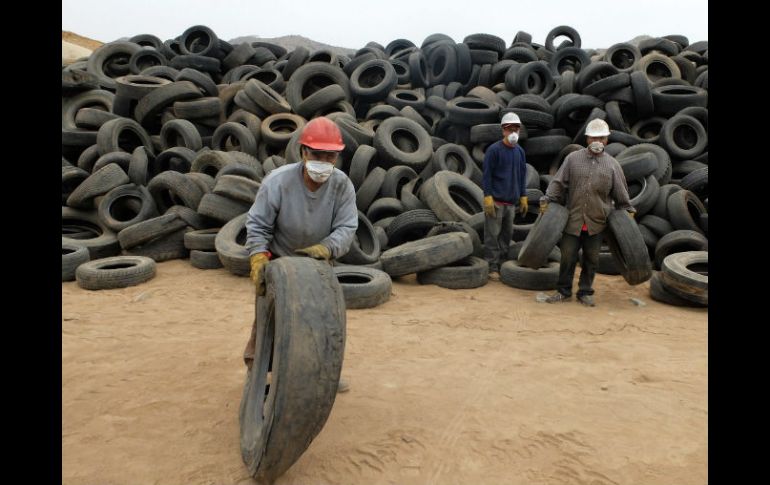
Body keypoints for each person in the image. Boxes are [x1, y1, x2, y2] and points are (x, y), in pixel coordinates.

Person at [243, 116, 358, 391]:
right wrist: (259, 256)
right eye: (316, 154)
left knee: (323, 323)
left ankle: (324, 375)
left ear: (337, 157)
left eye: (329, 155)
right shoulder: (279, 182)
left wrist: (326, 248)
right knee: (269, 320)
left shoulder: (342, 185)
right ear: (303, 152)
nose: (323, 161)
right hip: (280, 263)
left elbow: (347, 226)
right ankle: (257, 372)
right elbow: (258, 223)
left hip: (318, 264)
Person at [540, 118, 635, 307]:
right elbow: (558, 183)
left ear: (607, 140)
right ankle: (563, 291)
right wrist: (547, 199)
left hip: (597, 222)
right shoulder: (572, 159)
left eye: (601, 137)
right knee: (567, 256)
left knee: (591, 259)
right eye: (594, 137)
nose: (598, 141)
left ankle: (585, 292)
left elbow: (621, 193)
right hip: (573, 219)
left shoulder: (613, 165)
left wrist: (628, 212)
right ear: (587, 139)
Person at [482, 111, 528, 281]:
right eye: (510, 129)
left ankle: (502, 264)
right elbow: (487, 175)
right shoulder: (494, 150)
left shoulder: (520, 152)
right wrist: (488, 197)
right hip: (496, 202)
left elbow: (522, 175)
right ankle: (492, 266)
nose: (513, 132)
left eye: (516, 129)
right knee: (492, 235)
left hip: (511, 203)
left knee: (506, 236)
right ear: (503, 131)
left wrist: (523, 196)